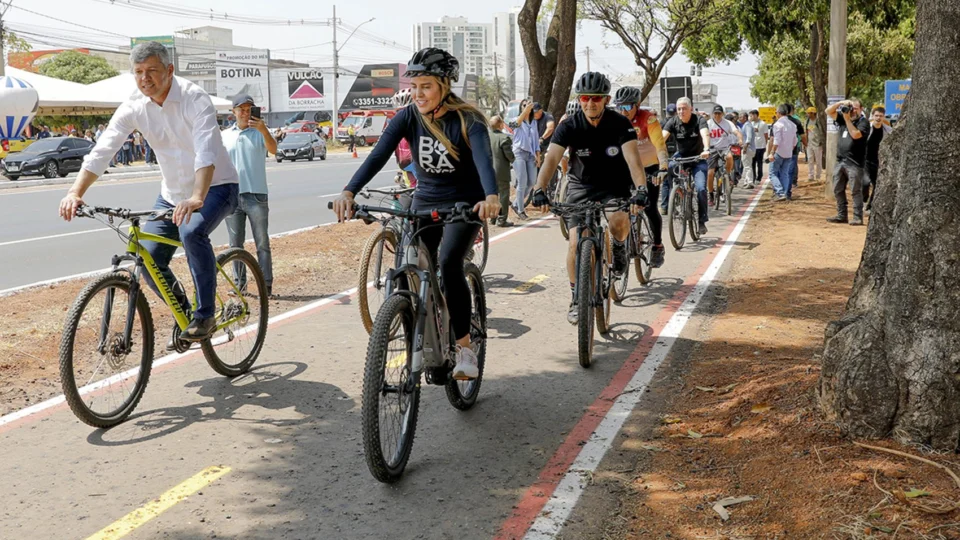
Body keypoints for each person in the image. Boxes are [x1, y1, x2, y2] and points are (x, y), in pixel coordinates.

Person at [333, 48, 499, 381]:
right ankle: (420, 331)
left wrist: (491, 196)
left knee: (449, 263)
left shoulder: (468, 120)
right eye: (414, 85)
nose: (418, 93)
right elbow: (378, 156)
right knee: (410, 263)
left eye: (426, 86)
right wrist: (349, 191)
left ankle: (465, 348)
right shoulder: (407, 117)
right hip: (423, 203)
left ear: (444, 85)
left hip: (464, 206)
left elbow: (484, 161)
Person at [58, 41, 239, 342]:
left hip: (215, 187)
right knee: (149, 257)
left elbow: (205, 151)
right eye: (139, 72)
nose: (145, 78)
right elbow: (104, 150)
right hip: (170, 196)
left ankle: (205, 315)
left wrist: (196, 198)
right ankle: (184, 312)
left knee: (192, 232)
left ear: (169, 70)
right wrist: (75, 192)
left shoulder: (194, 98)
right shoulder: (134, 106)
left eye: (152, 70)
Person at [530, 72, 650, 325]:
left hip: (614, 184)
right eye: (585, 98)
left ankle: (618, 247)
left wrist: (641, 188)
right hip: (580, 184)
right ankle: (576, 298)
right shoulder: (569, 126)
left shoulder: (619, 123)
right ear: (580, 99)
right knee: (575, 242)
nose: (590, 103)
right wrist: (539, 188)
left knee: (618, 220)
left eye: (596, 98)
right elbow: (551, 158)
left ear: (606, 99)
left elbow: (633, 160)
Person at [222, 93, 278, 297]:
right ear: (233, 112)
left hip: (256, 195)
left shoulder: (260, 132)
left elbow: (273, 150)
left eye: (249, 109)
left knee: (262, 242)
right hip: (232, 196)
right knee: (235, 245)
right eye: (241, 109)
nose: (245, 113)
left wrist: (263, 129)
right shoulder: (225, 135)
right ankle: (239, 285)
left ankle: (266, 284)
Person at [613, 85, 668, 268]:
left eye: (627, 107)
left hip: (650, 168)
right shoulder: (615, 121)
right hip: (626, 168)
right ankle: (620, 246)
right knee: (618, 206)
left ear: (636, 105)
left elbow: (659, 144)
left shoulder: (648, 119)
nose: (623, 111)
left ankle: (657, 246)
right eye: (619, 107)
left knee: (650, 208)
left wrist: (663, 167)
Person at [663, 97, 711, 234]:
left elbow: (705, 134)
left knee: (701, 188)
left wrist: (706, 149)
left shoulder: (699, 120)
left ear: (691, 108)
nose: (681, 111)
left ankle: (702, 221)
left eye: (684, 108)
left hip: (698, 158)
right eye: (679, 109)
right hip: (682, 157)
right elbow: (661, 138)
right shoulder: (673, 122)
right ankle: (675, 195)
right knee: (670, 166)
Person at [825, 97, 870, 225]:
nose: (853, 110)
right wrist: (841, 103)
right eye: (851, 108)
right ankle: (841, 215)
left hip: (854, 163)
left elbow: (856, 135)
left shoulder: (863, 122)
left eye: (855, 108)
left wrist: (847, 120)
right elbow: (828, 111)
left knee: (855, 190)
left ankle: (857, 217)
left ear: (861, 109)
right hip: (840, 161)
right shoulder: (844, 118)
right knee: (837, 189)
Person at [706, 105, 743, 205]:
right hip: (712, 150)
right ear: (712, 114)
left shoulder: (728, 123)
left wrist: (740, 139)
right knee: (710, 173)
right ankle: (711, 195)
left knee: (730, 157)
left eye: (719, 113)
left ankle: (727, 174)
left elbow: (736, 132)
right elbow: (703, 135)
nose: (717, 115)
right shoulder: (708, 124)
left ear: (722, 114)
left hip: (724, 149)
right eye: (715, 113)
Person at [511, 99, 539, 220]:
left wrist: (538, 156)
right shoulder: (516, 120)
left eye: (529, 105)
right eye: (524, 105)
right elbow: (514, 125)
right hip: (518, 153)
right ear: (521, 107)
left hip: (531, 154)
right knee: (522, 182)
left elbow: (536, 140)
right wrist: (524, 112)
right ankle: (521, 210)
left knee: (532, 182)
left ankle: (516, 203)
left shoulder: (534, 122)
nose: (527, 107)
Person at [862, 105, 892, 213]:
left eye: (880, 116)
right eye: (876, 115)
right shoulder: (866, 128)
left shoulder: (888, 130)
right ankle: (863, 202)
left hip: (879, 161)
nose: (878, 118)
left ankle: (870, 206)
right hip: (865, 160)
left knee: (877, 184)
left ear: (884, 117)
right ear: (872, 116)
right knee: (865, 183)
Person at [767, 104, 798, 201]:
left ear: (779, 113)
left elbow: (777, 141)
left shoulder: (777, 125)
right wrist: (790, 149)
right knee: (784, 173)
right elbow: (795, 141)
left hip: (779, 152)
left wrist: (772, 152)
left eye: (776, 112)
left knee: (773, 173)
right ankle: (784, 193)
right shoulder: (792, 125)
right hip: (788, 153)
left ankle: (780, 193)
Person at [489, 115, 515, 227]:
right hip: (501, 172)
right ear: (500, 125)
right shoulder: (504, 138)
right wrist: (513, 159)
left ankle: (492, 218)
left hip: (488, 171)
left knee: (492, 195)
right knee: (503, 196)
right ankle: (502, 219)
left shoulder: (486, 137)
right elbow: (509, 155)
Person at [391, 88, 419, 188]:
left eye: (408, 113)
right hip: (409, 181)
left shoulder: (425, 132)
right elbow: (376, 157)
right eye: (399, 113)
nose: (403, 118)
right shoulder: (395, 133)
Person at [660, 103, 678, 215]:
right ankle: (673, 207)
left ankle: (664, 207)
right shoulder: (677, 122)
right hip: (677, 154)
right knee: (675, 181)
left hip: (664, 154)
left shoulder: (661, 123)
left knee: (666, 182)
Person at [785, 104, 806, 189]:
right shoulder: (796, 119)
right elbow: (802, 135)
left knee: (789, 164)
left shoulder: (794, 119)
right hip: (793, 145)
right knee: (792, 164)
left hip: (789, 146)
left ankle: (791, 182)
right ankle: (792, 182)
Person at [805, 107, 823, 182]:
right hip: (809, 144)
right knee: (810, 159)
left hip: (817, 144)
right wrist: (805, 143)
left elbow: (821, 132)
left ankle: (818, 176)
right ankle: (811, 176)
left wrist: (821, 141)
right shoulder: (807, 121)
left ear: (813, 113)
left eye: (809, 113)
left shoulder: (818, 121)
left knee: (818, 160)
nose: (808, 114)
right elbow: (806, 132)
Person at [749, 110, 768, 183]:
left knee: (759, 162)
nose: (750, 117)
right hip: (752, 146)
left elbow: (766, 135)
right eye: (750, 116)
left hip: (760, 146)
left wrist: (765, 144)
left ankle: (759, 177)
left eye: (752, 116)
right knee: (752, 163)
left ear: (756, 115)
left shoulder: (763, 124)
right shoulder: (751, 124)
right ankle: (753, 177)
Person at [741, 113, 757, 188]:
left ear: (744, 118)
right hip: (749, 148)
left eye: (741, 117)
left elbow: (749, 137)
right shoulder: (747, 125)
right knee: (747, 166)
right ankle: (747, 181)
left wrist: (745, 147)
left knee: (747, 166)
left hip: (748, 148)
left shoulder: (747, 125)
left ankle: (750, 182)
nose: (739, 118)